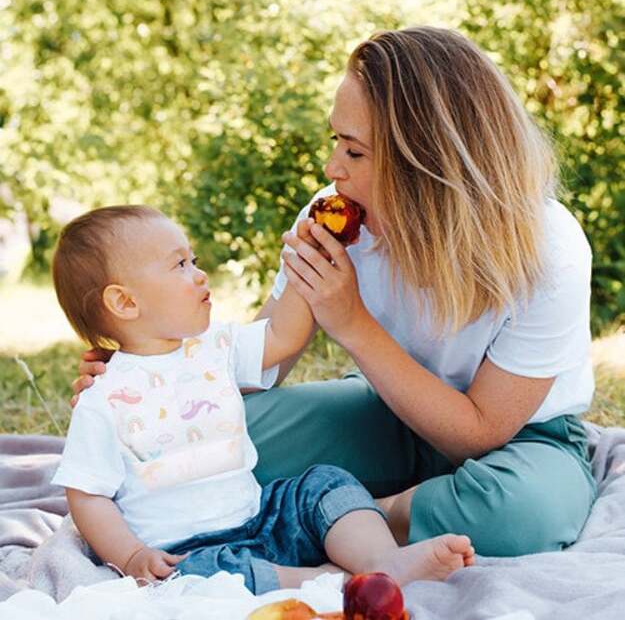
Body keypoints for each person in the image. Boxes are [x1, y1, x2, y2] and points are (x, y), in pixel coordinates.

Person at [73, 27, 597, 557]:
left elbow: (478, 432)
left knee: (522, 513)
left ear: (429, 165)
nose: (332, 169)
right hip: (382, 411)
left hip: (523, 441)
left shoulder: (548, 251)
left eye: (355, 151)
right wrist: (151, 380)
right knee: (211, 442)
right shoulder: (333, 215)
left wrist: (350, 322)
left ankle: (356, 510)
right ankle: (346, 511)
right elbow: (266, 361)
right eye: (335, 142)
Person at [51, 204, 474, 594]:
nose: (199, 274)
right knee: (195, 579)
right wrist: (131, 556)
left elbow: (283, 336)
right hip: (185, 548)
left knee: (325, 483)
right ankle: (332, 581)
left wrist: (309, 256)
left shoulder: (215, 346)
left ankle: (383, 561)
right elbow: (88, 495)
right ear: (125, 302)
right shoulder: (103, 396)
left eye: (193, 261)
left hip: (262, 516)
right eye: (180, 265)